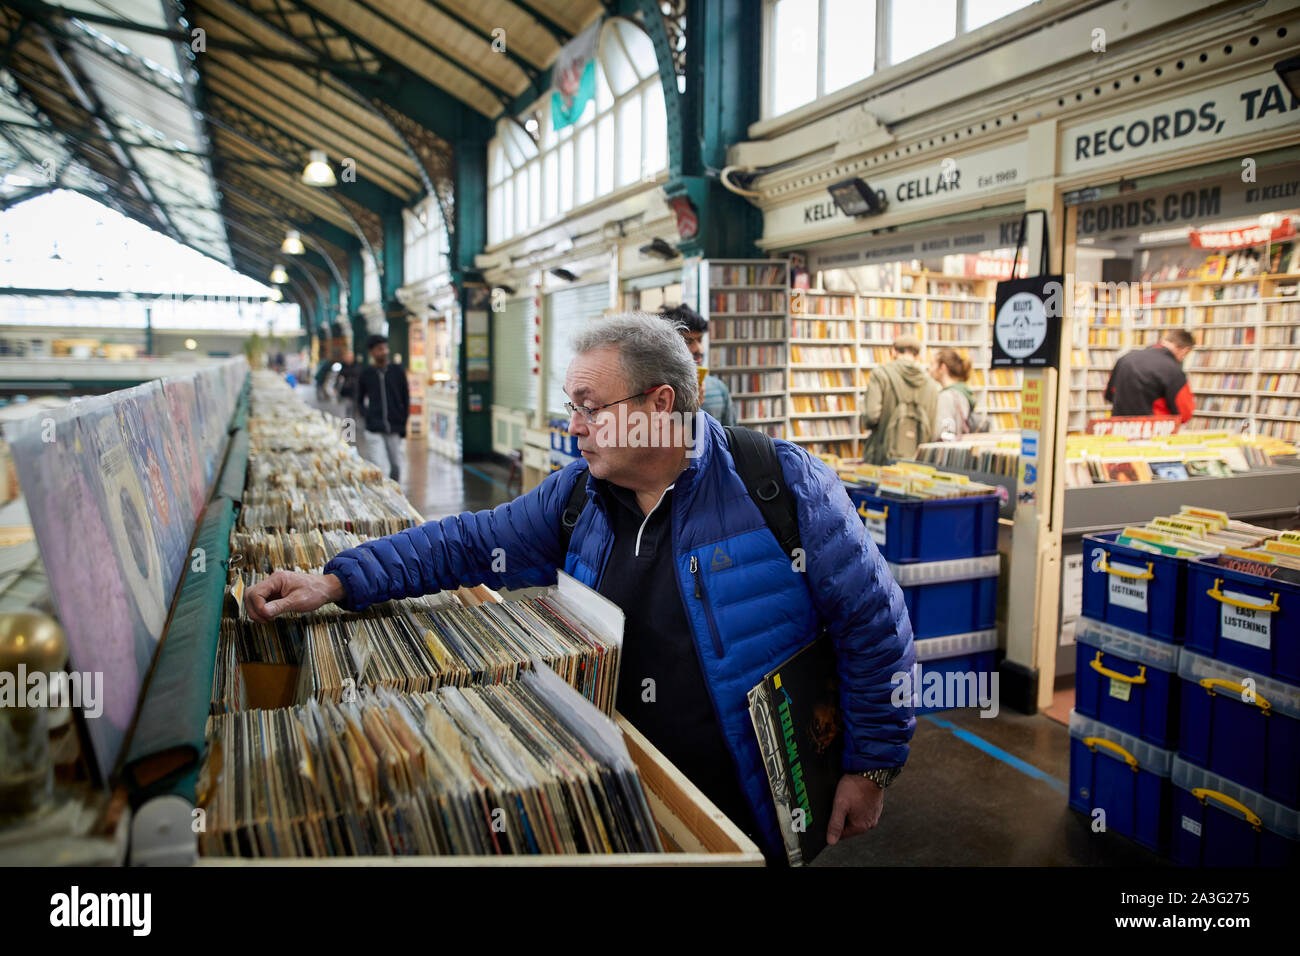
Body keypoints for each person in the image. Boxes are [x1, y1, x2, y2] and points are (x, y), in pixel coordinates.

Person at [244, 313, 915, 863]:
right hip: (622, 782)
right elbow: (468, 542)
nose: (575, 426)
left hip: (755, 790)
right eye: (573, 407)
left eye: (591, 408)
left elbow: (874, 626)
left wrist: (870, 767)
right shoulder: (577, 497)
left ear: (659, 405)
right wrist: (337, 577)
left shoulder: (782, 485)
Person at [860, 333, 939, 465]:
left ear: (893, 351)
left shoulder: (881, 375)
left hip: (882, 458)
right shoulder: (931, 384)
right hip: (917, 460)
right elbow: (932, 427)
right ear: (918, 356)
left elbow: (871, 416)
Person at [660, 303, 737, 426]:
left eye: (700, 340)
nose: (699, 349)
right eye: (688, 342)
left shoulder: (719, 389)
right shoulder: (659, 393)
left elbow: (729, 440)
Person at [1104, 329, 1197, 423]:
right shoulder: (1172, 369)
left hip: (1119, 428)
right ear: (1185, 350)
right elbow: (1184, 412)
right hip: (1153, 431)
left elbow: (1109, 394)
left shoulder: (1125, 359)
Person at [356, 334, 409, 482]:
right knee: (380, 467)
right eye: (380, 349)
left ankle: (395, 494)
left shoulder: (397, 371)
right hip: (374, 427)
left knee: (396, 465)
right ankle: (384, 497)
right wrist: (367, 416)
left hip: (394, 426)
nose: (384, 351)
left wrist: (403, 422)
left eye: (385, 348)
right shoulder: (366, 374)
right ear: (372, 352)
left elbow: (405, 397)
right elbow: (359, 400)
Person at [930, 348, 974, 440]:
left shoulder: (946, 396)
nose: (930, 369)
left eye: (932, 364)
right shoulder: (962, 392)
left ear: (942, 368)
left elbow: (941, 433)